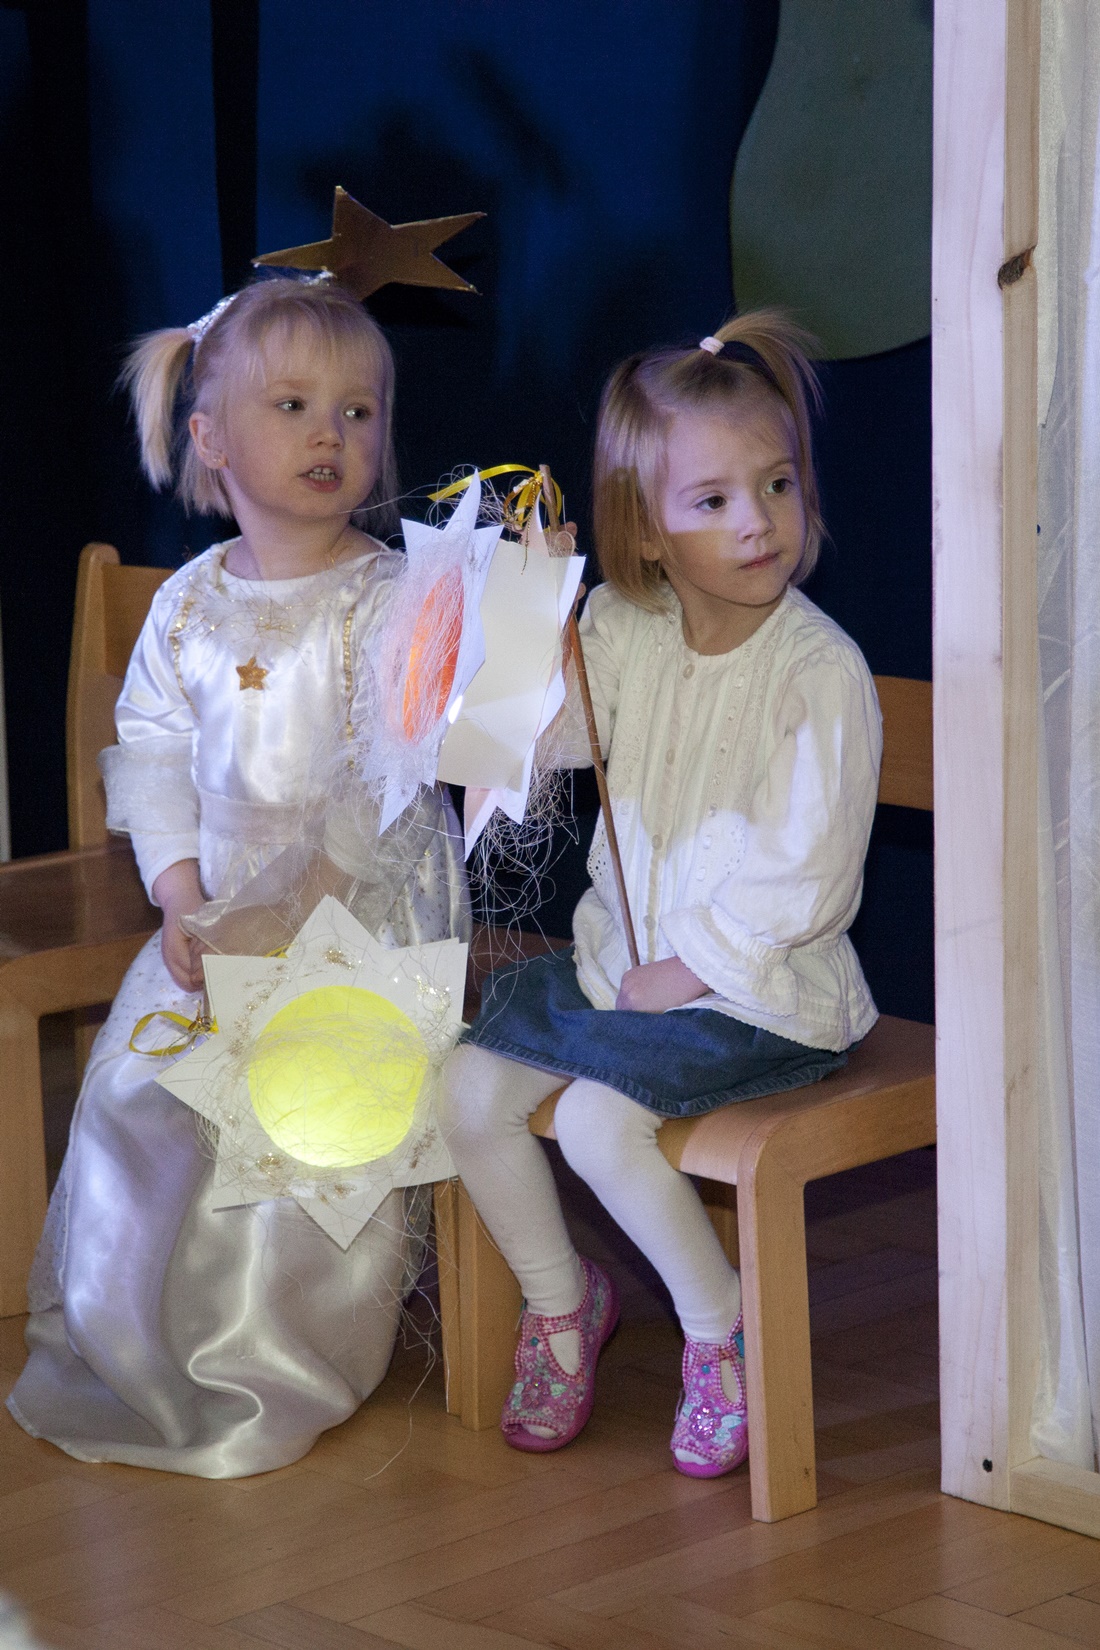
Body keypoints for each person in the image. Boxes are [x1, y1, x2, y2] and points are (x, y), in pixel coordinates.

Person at [7, 277, 470, 1477]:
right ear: (210, 439)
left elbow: (385, 778)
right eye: (293, 405)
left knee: (297, 1124)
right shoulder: (187, 604)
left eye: (357, 411)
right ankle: (137, 1334)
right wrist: (178, 895)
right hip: (214, 913)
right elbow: (151, 754)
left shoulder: (389, 597)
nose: (331, 434)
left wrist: (293, 905)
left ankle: (275, 1352)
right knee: (137, 1089)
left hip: (355, 910)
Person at [441, 313, 882, 1477]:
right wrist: (526, 629)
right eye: (712, 500)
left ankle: (717, 1326)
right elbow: (545, 748)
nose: (756, 522)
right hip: (621, 971)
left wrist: (693, 967)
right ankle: (560, 1303)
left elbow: (810, 875)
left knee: (597, 1121)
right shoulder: (622, 626)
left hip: (759, 992)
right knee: (465, 1092)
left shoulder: (818, 670)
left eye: (776, 485)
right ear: (643, 526)